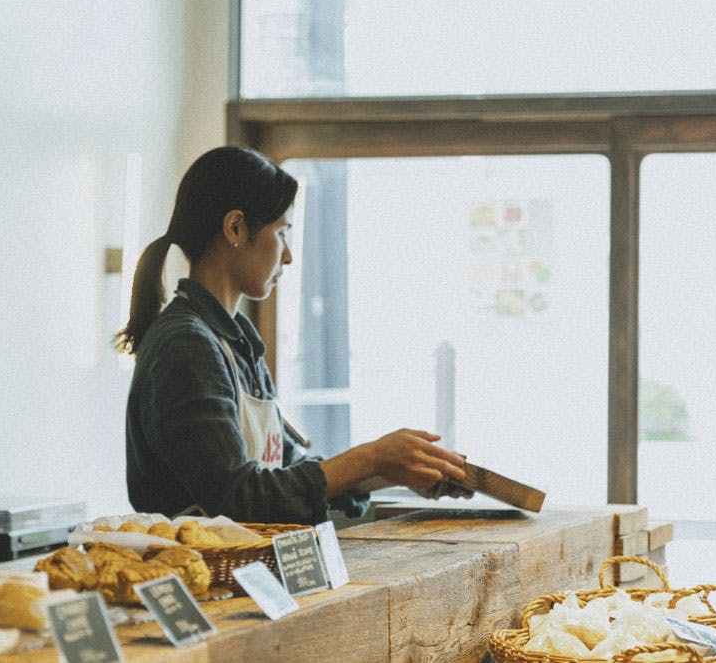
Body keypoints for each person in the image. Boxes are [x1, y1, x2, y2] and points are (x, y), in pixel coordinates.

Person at [118, 146, 468, 525]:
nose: (288, 256)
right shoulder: (186, 345)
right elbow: (240, 497)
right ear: (235, 228)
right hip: (203, 574)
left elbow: (285, 475)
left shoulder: (236, 343)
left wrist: (395, 471)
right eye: (282, 232)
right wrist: (372, 457)